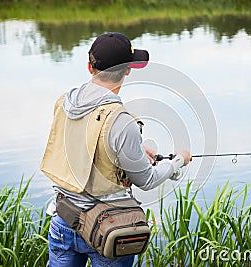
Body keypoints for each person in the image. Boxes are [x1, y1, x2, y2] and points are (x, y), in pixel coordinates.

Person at [40, 32, 192, 267]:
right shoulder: (121, 122)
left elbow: (83, 140)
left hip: (64, 220)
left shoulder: (64, 102)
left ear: (90, 68)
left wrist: (136, 148)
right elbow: (147, 180)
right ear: (128, 69)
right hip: (109, 228)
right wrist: (177, 162)